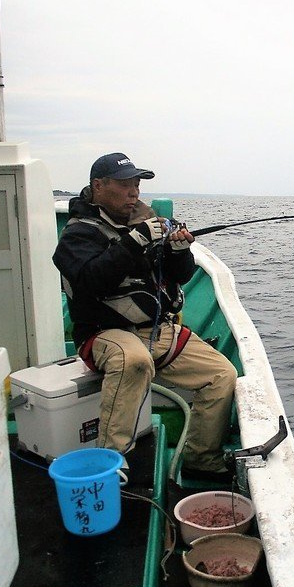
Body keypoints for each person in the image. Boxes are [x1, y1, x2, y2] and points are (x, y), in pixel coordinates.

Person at [52, 152, 237, 483]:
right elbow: (90, 280)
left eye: (136, 184)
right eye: (124, 185)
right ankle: (112, 462)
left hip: (155, 330)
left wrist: (179, 250)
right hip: (102, 335)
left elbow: (178, 275)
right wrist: (135, 241)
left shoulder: (145, 223)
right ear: (98, 186)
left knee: (222, 373)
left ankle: (201, 459)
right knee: (134, 359)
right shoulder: (78, 234)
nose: (134, 192)